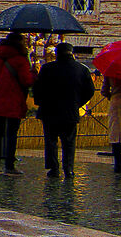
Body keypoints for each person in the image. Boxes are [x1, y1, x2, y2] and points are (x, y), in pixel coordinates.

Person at [33, 41, 92, 175]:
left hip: (49, 110)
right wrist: (78, 103)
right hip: (70, 110)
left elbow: (38, 89)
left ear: (57, 54)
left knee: (51, 141)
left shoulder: (47, 68)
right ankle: (69, 168)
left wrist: (41, 102)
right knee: (69, 142)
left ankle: (54, 168)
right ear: (72, 53)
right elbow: (90, 91)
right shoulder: (82, 69)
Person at [0, 29, 35, 174]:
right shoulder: (20, 60)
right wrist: (34, 75)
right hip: (14, 101)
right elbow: (26, 81)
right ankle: (9, 166)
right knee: (12, 133)